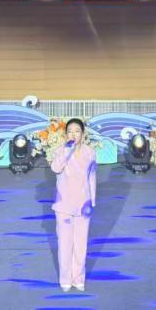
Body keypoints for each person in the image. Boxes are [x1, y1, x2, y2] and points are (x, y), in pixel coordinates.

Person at [50, 118, 97, 292]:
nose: (73, 134)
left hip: (83, 205)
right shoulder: (59, 151)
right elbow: (55, 168)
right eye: (70, 131)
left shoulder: (90, 152)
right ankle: (65, 279)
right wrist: (66, 151)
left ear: (83, 134)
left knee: (81, 244)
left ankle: (78, 278)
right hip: (63, 206)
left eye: (77, 131)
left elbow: (92, 176)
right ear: (66, 134)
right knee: (65, 244)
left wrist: (92, 200)